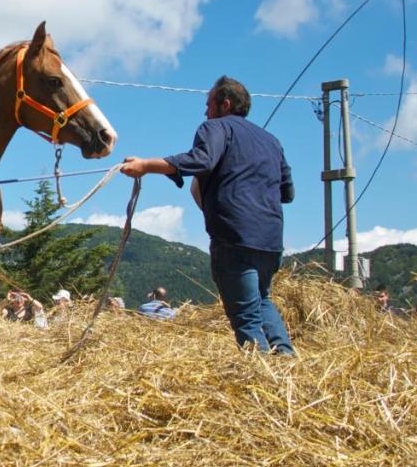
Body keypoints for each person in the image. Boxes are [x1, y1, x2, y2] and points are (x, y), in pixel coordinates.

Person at [121, 76, 296, 355]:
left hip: (235, 236)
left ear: (224, 104)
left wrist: (145, 165)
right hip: (271, 242)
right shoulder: (272, 141)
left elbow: (201, 159)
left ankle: (264, 375)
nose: (205, 111)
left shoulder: (216, 127)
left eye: (208, 104)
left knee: (245, 317)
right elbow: (287, 193)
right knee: (262, 300)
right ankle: (286, 360)